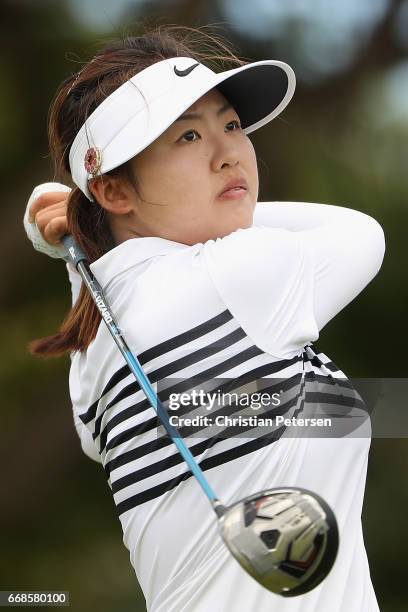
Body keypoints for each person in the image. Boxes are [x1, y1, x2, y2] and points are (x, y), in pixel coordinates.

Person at [23, 26, 385, 612]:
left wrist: (87, 230)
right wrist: (81, 215)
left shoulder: (98, 337)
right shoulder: (238, 276)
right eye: (189, 135)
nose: (230, 153)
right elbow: (362, 234)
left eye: (232, 125)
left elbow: (96, 441)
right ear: (116, 190)